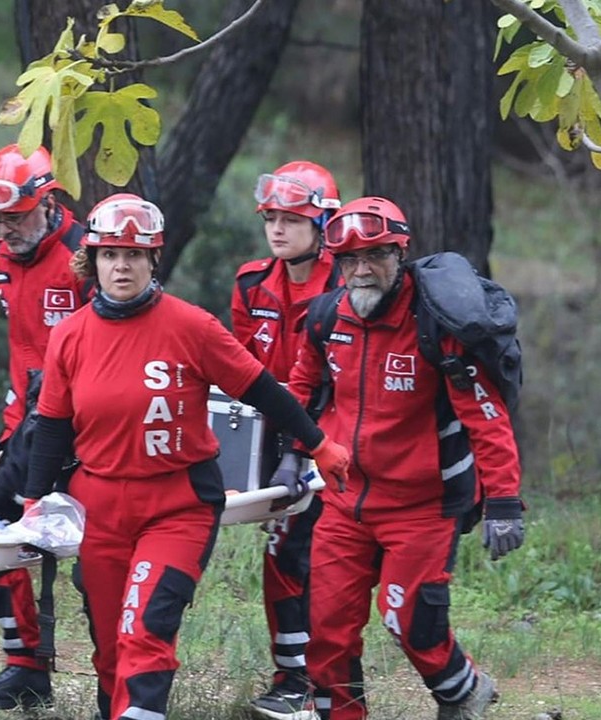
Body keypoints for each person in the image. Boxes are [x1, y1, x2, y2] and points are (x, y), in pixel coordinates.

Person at [21, 193, 352, 720]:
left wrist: (318, 445)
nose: (122, 265)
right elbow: (53, 429)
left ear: (154, 259)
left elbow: (264, 391)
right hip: (100, 508)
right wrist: (34, 501)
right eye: (110, 254)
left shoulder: (191, 327)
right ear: (94, 261)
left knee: (144, 630)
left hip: (178, 505)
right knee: (110, 649)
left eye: (134, 254)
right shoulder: (70, 336)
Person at [288, 197, 524, 720]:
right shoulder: (326, 317)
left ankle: (462, 693)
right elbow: (303, 390)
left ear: (400, 253)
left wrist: (505, 501)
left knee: (409, 618)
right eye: (349, 259)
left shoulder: (437, 326)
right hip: (344, 503)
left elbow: (486, 416)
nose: (362, 270)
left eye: (375, 256)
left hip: (422, 506)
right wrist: (291, 458)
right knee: (325, 628)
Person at [0, 143, 91, 709]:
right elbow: (22, 350)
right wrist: (12, 429)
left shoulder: (89, 255)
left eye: (15, 216)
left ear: (47, 201)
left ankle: (118, 671)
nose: (6, 228)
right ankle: (24, 669)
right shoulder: (1, 261)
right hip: (31, 422)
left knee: (97, 560)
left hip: (89, 428)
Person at [229, 161, 341, 720]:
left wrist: (306, 447)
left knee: (313, 554)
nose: (277, 228)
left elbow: (337, 378)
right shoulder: (252, 284)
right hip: (272, 441)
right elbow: (240, 365)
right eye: (271, 217)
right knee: (282, 552)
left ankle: (314, 681)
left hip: (333, 438)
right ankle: (292, 675)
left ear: (321, 223)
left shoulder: (345, 284)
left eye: (292, 219)